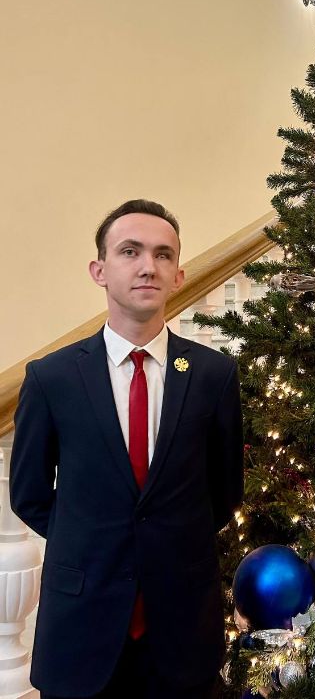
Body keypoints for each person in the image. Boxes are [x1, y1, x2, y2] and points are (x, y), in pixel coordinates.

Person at [10, 199, 244, 699]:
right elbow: (29, 493)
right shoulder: (51, 378)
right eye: (130, 251)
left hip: (182, 625)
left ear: (178, 276)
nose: (147, 266)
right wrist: (89, 539)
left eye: (163, 254)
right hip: (81, 626)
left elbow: (224, 493)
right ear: (99, 270)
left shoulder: (214, 375)